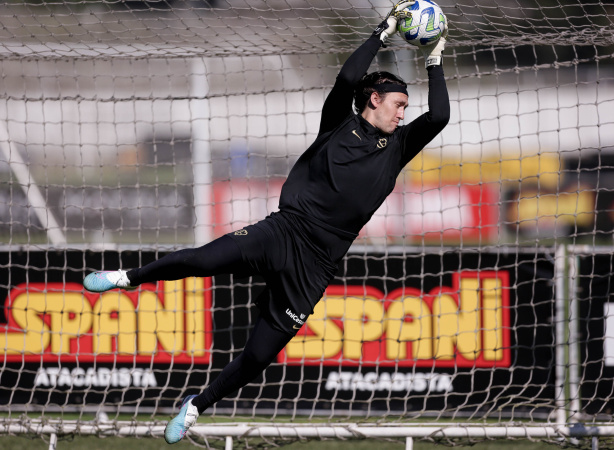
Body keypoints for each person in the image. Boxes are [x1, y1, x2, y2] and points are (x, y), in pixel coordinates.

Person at [83, 1, 450, 444]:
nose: (402, 113)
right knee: (201, 260)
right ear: (375, 99)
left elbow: (441, 116)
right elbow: (348, 78)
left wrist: (435, 61)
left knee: (259, 355)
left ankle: (196, 406)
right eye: (398, 104)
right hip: (284, 231)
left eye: (406, 107)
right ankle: (127, 277)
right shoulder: (338, 123)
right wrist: (383, 31)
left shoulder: (400, 144)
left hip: (316, 265)